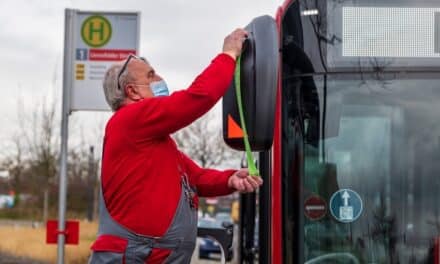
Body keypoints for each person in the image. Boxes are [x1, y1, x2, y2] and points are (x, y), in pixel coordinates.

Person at [89, 28, 263, 264]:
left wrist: (230, 179)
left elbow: (196, 177)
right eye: (150, 76)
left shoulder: (158, 142)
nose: (159, 79)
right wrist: (228, 55)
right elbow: (198, 98)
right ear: (132, 91)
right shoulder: (130, 120)